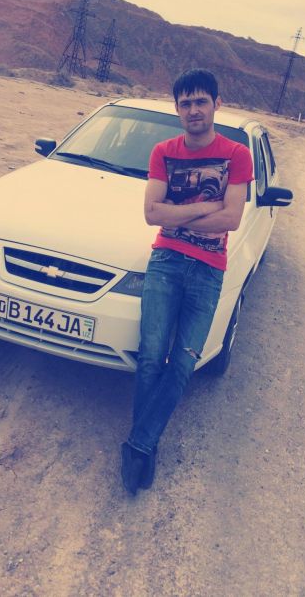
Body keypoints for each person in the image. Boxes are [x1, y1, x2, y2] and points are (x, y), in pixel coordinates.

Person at [121, 68, 253, 495]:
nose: (193, 110)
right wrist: (205, 206)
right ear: (177, 108)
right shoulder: (163, 151)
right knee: (150, 357)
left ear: (217, 104)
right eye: (185, 103)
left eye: (201, 101)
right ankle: (145, 448)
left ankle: (139, 444)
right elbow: (152, 214)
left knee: (183, 362)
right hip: (165, 262)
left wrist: (178, 214)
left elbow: (231, 219)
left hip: (209, 269)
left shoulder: (237, 155)